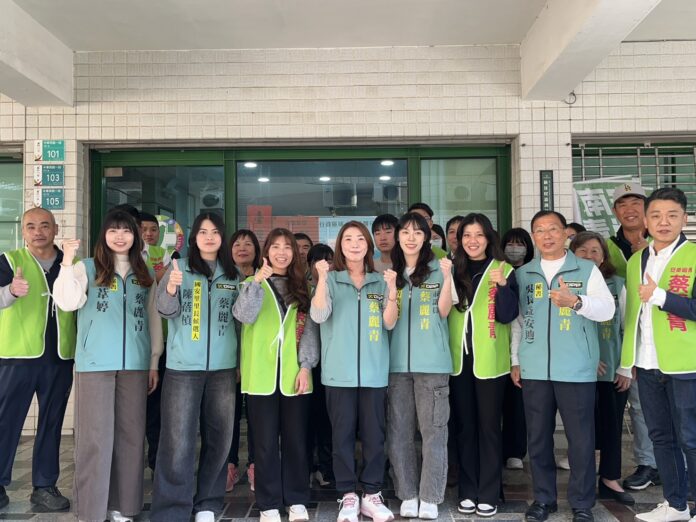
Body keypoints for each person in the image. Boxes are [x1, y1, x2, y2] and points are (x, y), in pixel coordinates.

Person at [54, 209, 162, 522]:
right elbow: (67, 301)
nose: (120, 236)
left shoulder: (144, 272)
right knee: (95, 439)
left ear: (135, 236)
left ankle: (124, 507)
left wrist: (154, 360)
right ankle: (91, 511)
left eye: (126, 230)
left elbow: (154, 317)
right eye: (113, 230)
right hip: (95, 365)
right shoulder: (87, 267)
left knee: (131, 437)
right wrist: (66, 261)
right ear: (104, 235)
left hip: (136, 365)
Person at [511, 210, 614, 522]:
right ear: (534, 236)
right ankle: (544, 499)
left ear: (565, 234)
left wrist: (577, 302)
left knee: (581, 439)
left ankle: (582, 502)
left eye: (553, 229)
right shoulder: (524, 273)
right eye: (540, 230)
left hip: (576, 368)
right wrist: (516, 360)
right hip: (535, 368)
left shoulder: (586, 269)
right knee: (538, 438)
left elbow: (607, 309)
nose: (547, 236)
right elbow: (518, 321)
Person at [151, 213, 239, 522]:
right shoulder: (179, 269)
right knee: (177, 440)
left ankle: (208, 504)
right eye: (203, 232)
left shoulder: (233, 274)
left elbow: (241, 323)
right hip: (183, 367)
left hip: (223, 368)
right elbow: (165, 310)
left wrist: (240, 362)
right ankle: (172, 509)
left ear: (222, 237)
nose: (209, 237)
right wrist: (171, 289)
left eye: (215, 232)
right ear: (194, 237)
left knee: (220, 437)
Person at [310, 221, 398, 522]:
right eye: (348, 239)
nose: (355, 244)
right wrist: (322, 280)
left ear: (368, 246)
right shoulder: (331, 279)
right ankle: (347, 494)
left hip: (374, 373)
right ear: (340, 246)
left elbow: (389, 323)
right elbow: (318, 314)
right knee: (342, 436)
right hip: (339, 373)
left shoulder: (379, 280)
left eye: (360, 238)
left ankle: (372, 494)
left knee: (374, 436)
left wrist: (392, 291)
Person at [620, 187, 696, 522]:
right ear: (646, 221)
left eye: (672, 215)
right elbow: (632, 315)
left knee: (691, 438)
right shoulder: (636, 260)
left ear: (684, 218)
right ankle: (676, 505)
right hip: (647, 364)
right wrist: (628, 361)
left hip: (686, 364)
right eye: (657, 216)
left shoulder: (694, 256)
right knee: (661, 437)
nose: (664, 222)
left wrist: (661, 296)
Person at [233, 228, 319, 522]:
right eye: (275, 247)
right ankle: (268, 503)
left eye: (287, 247)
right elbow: (244, 316)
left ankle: (296, 499)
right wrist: (257, 281)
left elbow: (310, 331)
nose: (281, 252)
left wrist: (306, 366)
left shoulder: (303, 287)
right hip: (261, 376)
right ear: (266, 251)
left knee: (296, 440)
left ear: (294, 253)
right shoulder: (250, 284)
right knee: (264, 443)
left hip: (295, 376)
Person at [0, 208, 75, 512]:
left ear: (55, 229)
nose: (38, 232)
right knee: (6, 421)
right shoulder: (9, 261)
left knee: (52, 422)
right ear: (23, 231)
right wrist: (10, 291)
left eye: (45, 226)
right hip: (17, 356)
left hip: (59, 356)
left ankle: (44, 486)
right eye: (31, 226)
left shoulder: (69, 263)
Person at [449, 214, 519, 518]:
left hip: (490, 360)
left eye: (478, 235)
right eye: (467, 235)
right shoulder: (452, 269)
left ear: (489, 238)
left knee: (489, 428)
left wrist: (502, 286)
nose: (472, 241)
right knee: (465, 427)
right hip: (458, 361)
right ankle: (468, 490)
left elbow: (508, 315)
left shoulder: (503, 269)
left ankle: (489, 492)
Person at [387, 213, 454, 520]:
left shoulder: (440, 268)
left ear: (427, 237)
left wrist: (448, 278)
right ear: (398, 237)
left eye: (417, 232)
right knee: (399, 431)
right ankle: (408, 493)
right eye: (405, 232)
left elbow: (443, 311)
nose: (411, 237)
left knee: (434, 432)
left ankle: (430, 496)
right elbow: (388, 321)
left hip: (433, 364)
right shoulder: (391, 273)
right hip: (396, 365)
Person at [569, 232, 634, 506]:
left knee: (611, 425)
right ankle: (582, 481)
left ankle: (610, 479)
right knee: (581, 429)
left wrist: (626, 367)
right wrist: (588, 357)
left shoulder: (617, 284)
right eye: (582, 250)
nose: (589, 255)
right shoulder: (566, 286)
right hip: (576, 369)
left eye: (595, 250)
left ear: (604, 255)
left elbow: (630, 326)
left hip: (612, 370)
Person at [606, 182, 659, 491]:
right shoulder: (607, 246)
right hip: (621, 338)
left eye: (636, 202)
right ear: (615, 211)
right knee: (638, 404)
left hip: (660, 335)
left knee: (668, 404)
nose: (630, 209)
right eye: (623, 204)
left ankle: (673, 463)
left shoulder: (663, 244)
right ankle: (648, 463)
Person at [227, 229, 262, 492]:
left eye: (248, 244)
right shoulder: (225, 278)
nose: (242, 248)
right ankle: (229, 465)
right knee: (228, 416)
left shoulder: (263, 277)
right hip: (228, 357)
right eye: (237, 244)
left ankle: (254, 465)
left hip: (256, 359)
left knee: (256, 417)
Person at [139, 212, 172, 479]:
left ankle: (156, 460)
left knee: (156, 408)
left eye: (153, 230)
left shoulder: (164, 255)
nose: (149, 234)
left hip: (160, 340)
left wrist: (161, 277)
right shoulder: (118, 256)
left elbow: (170, 289)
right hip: (130, 345)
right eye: (144, 229)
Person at [500, 228, 534, 471]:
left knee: (517, 403)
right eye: (510, 244)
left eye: (519, 244)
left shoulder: (531, 273)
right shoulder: (498, 271)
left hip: (523, 345)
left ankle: (515, 450)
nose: (514, 248)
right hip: (497, 344)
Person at [306, 243, 335, 488]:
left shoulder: (337, 289)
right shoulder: (302, 290)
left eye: (329, 260)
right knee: (306, 419)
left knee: (327, 419)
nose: (324, 265)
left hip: (331, 364)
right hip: (305, 365)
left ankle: (326, 467)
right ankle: (307, 466)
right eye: (318, 261)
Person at [140, 212, 171, 282]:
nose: (149, 234)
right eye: (143, 230)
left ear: (159, 233)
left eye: (153, 230)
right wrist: (158, 274)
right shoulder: (127, 251)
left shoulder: (163, 253)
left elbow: (168, 280)